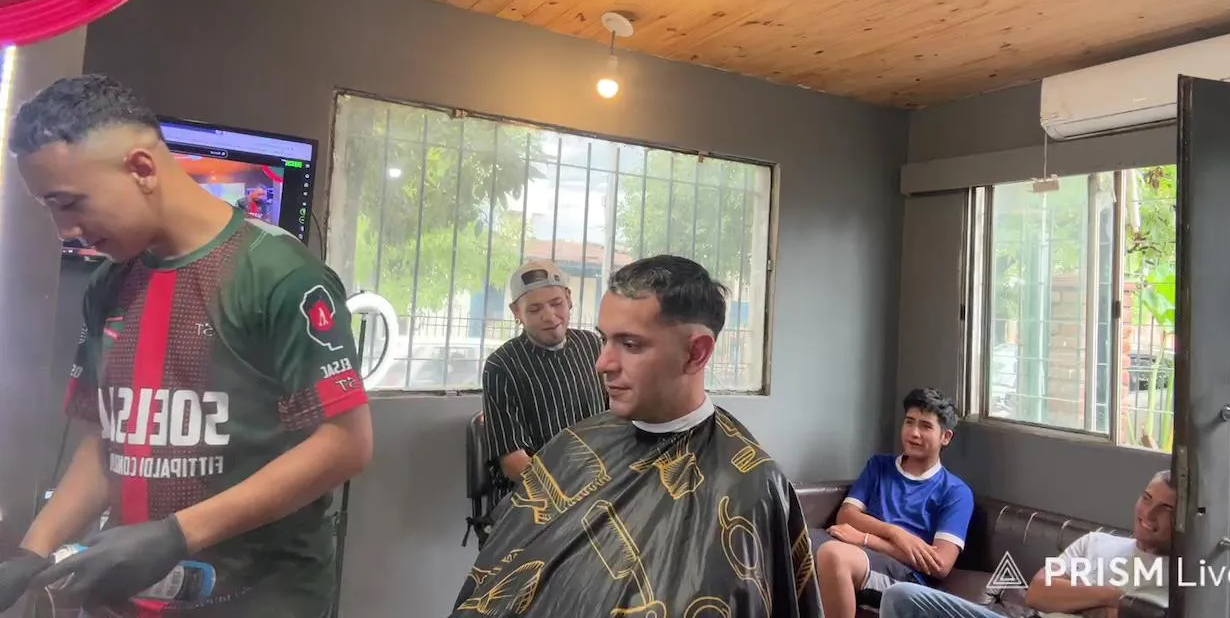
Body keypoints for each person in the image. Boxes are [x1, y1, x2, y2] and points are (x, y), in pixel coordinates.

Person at [0, 75, 373, 617]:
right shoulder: (109, 284)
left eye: (71, 203)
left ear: (141, 168)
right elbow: (107, 442)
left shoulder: (277, 273)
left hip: (258, 599)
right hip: (130, 600)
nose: (65, 230)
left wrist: (177, 534)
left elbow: (345, 444)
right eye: (50, 209)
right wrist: (30, 554)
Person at [451, 255, 820, 618]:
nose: (602, 364)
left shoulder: (749, 484)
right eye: (605, 340)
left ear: (696, 353)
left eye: (630, 344)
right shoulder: (571, 445)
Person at [875, 470, 1176, 618]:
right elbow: (1038, 592)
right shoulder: (1097, 542)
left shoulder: (1181, 576)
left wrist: (1072, 595)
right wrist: (1111, 595)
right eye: (1146, 499)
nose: (1148, 514)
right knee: (901, 596)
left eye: (1166, 509)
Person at [816, 388, 974, 616]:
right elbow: (847, 515)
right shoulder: (879, 466)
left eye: (925, 426)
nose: (914, 433)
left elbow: (939, 564)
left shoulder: (956, 492)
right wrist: (897, 534)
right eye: (909, 422)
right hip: (861, 555)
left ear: (945, 437)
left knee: (834, 555)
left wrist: (866, 538)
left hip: (907, 580)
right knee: (795, 539)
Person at [482, 259, 607, 483]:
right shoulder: (501, 366)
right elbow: (513, 461)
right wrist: (569, 489)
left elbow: (615, 419)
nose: (549, 316)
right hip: (537, 490)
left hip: (600, 480)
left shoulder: (591, 345)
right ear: (516, 312)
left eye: (557, 303)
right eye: (534, 309)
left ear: (569, 298)